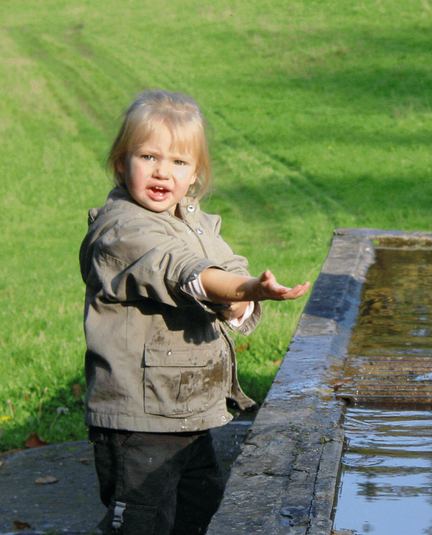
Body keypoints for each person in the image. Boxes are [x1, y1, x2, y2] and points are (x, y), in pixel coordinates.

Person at [79, 89, 310, 534]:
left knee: (198, 514)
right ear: (120, 162)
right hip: (139, 418)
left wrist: (241, 297)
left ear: (195, 175)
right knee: (140, 523)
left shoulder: (196, 222)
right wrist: (241, 287)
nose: (163, 171)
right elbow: (182, 270)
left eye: (179, 162)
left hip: (188, 410)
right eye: (148, 156)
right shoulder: (122, 229)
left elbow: (223, 265)